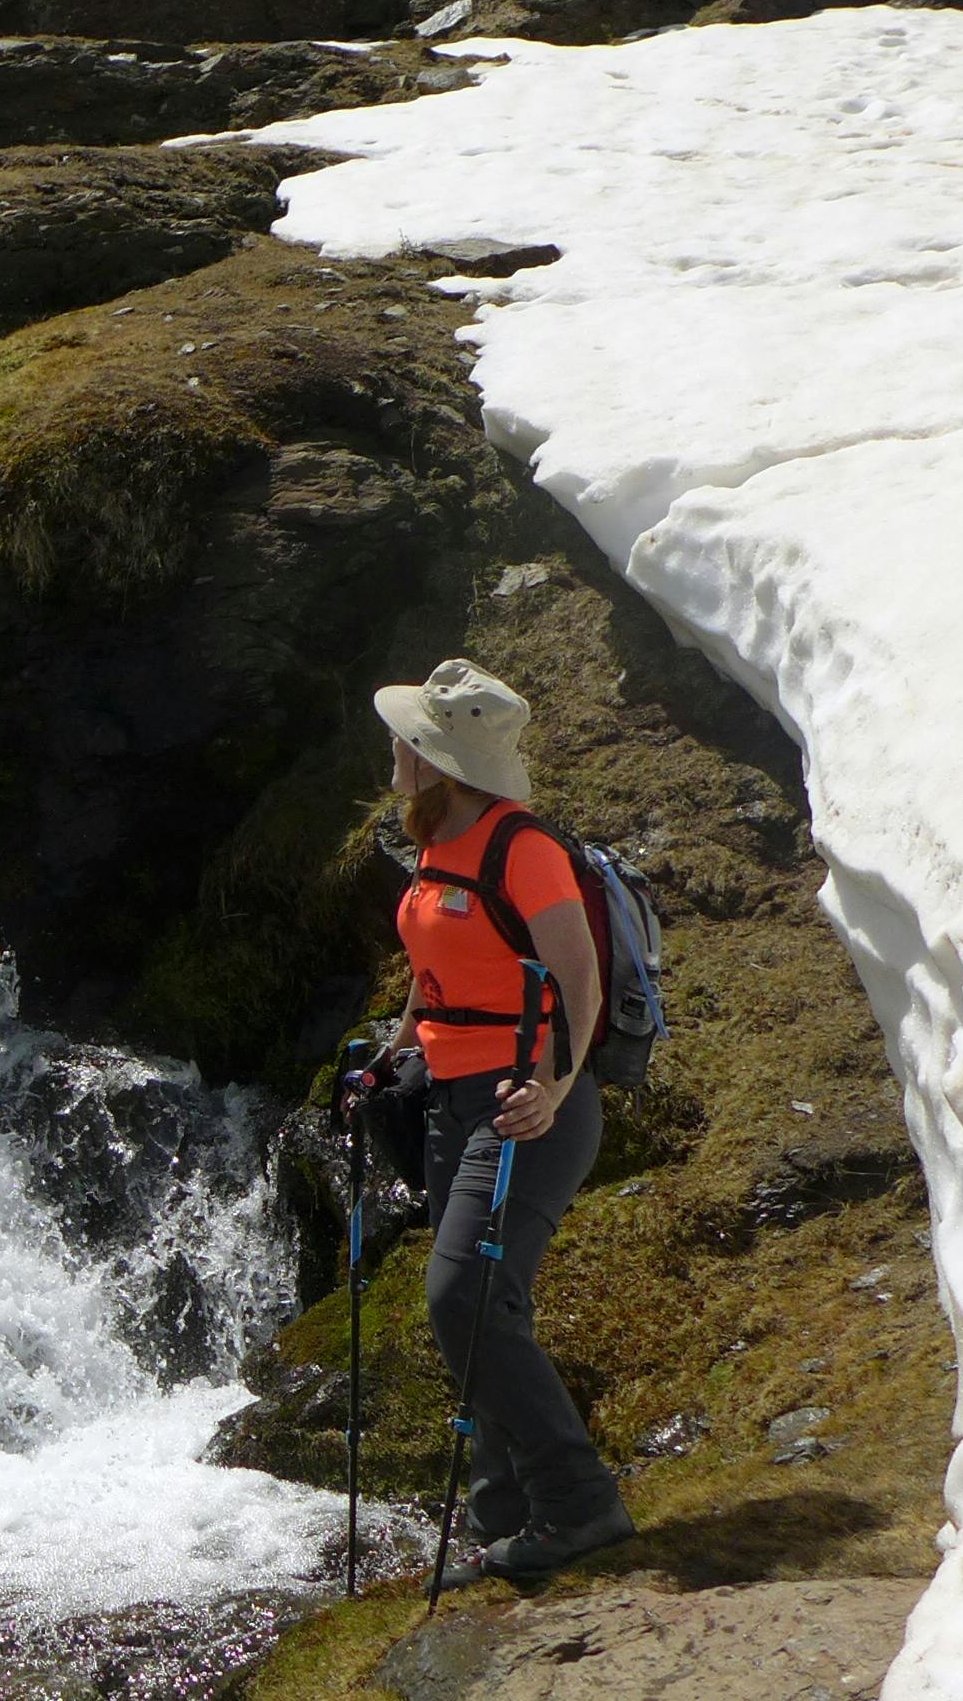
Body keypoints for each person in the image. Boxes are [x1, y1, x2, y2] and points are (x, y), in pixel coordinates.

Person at [372, 656, 634, 1582]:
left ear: (440, 759)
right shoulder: (440, 843)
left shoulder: (522, 848)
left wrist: (552, 1089)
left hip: (526, 1110)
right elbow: (439, 962)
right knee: (482, 1309)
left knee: (466, 1298)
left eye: (408, 740)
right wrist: (399, 1046)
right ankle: (506, 1523)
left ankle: (579, 1507)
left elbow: (580, 981)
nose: (394, 748)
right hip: (454, 1098)